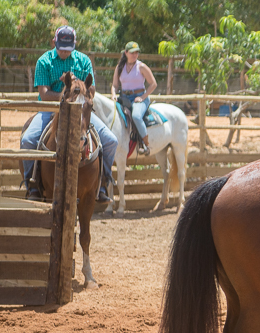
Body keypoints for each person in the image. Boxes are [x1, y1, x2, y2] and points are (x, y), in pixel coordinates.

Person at [21, 25, 117, 204]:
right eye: (61, 49)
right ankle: (32, 184)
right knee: (28, 140)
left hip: (80, 110)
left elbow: (92, 89)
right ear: (53, 43)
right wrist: (67, 94)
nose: (65, 52)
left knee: (111, 141)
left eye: (68, 49)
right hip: (50, 110)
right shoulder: (44, 61)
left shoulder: (84, 60)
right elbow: (44, 93)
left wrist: (77, 86)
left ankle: (103, 184)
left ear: (75, 44)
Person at [111, 41, 158, 156]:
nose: (135, 55)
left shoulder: (141, 67)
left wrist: (142, 97)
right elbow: (115, 85)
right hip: (124, 97)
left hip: (138, 97)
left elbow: (153, 84)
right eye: (132, 52)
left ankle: (145, 144)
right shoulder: (120, 67)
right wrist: (113, 94)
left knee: (136, 116)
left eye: (136, 52)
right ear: (126, 53)